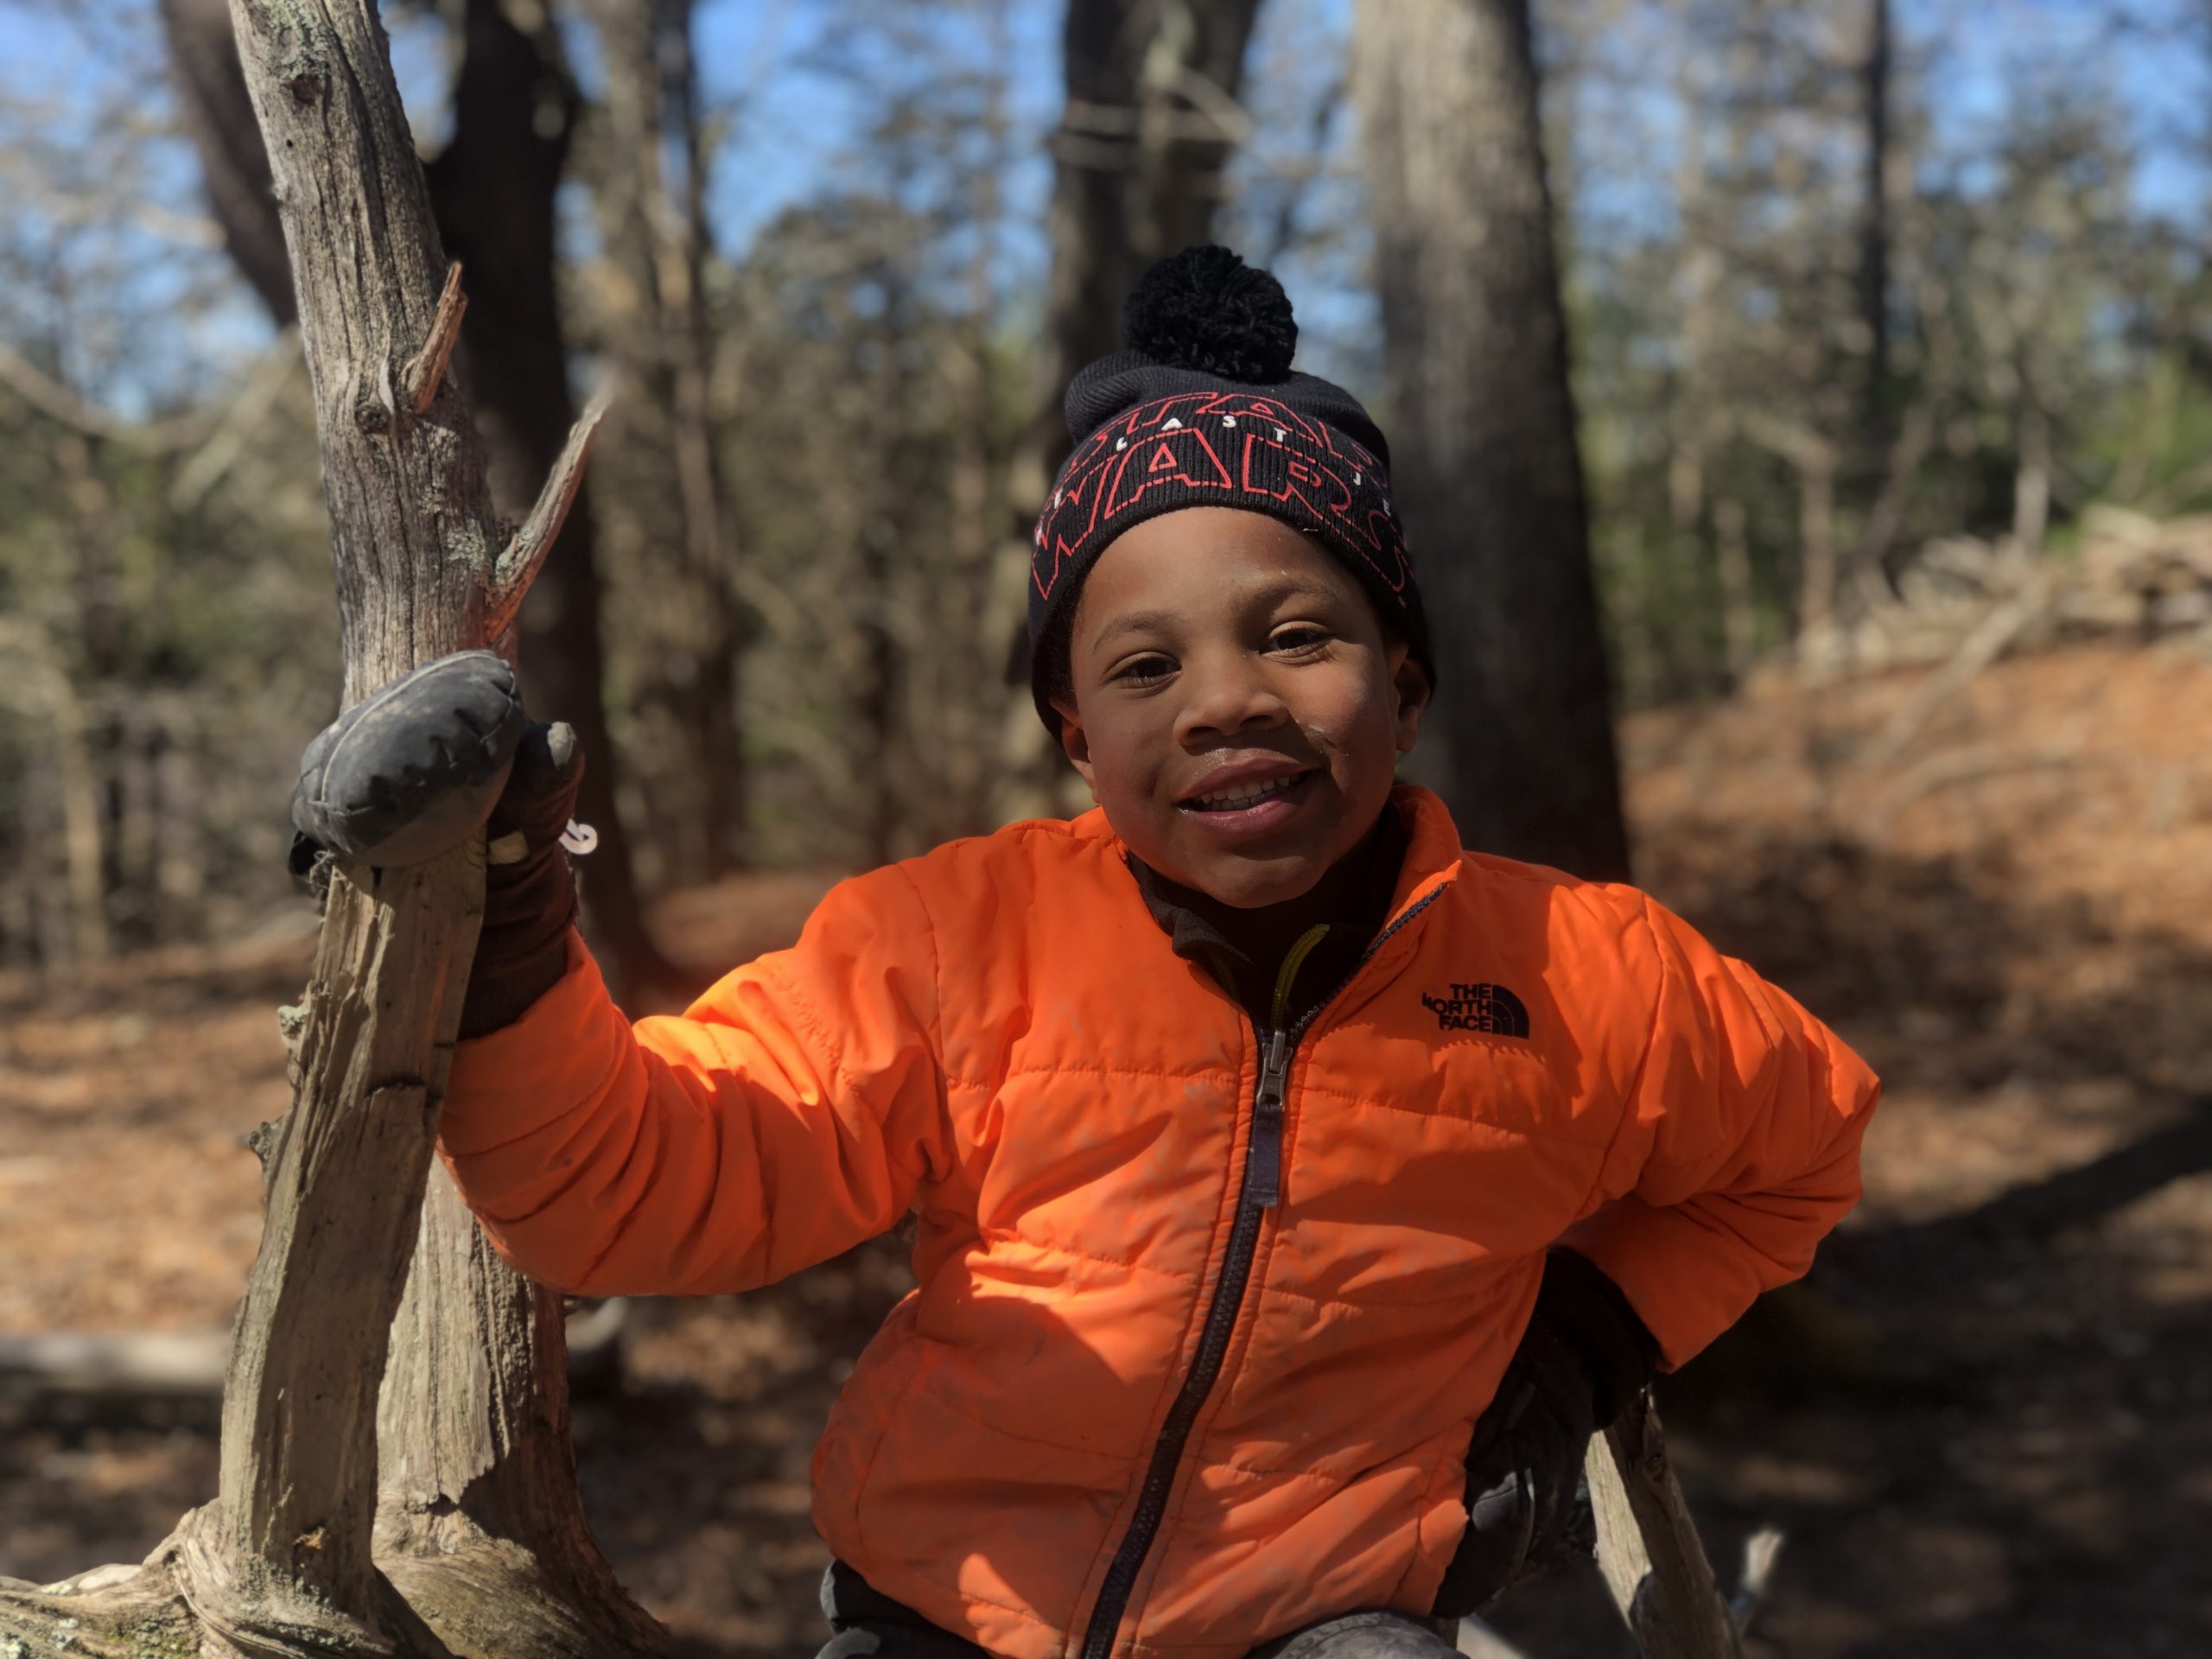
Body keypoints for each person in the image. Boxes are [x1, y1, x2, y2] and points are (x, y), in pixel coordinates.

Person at [290, 246, 1878, 1659]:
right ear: (1075, 734)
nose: (1225, 699)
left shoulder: (1586, 972)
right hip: (947, 1610)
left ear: (1404, 679)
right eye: (1143, 664)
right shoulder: (953, 943)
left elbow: (1803, 1151)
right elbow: (630, 1187)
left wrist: (1574, 1359)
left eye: (1299, 635)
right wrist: (504, 929)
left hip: (1334, 1612)